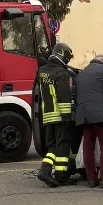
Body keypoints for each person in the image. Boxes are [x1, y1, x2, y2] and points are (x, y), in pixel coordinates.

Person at [35, 42, 77, 188]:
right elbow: (64, 97)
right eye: (67, 57)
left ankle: (45, 171)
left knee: (52, 146)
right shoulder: (62, 73)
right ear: (62, 55)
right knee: (63, 144)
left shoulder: (41, 71)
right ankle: (60, 176)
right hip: (60, 115)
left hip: (47, 114)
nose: (68, 60)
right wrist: (67, 117)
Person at [75, 55, 103, 189]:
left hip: (84, 115)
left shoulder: (80, 75)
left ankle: (91, 179)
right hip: (100, 114)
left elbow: (76, 96)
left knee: (88, 147)